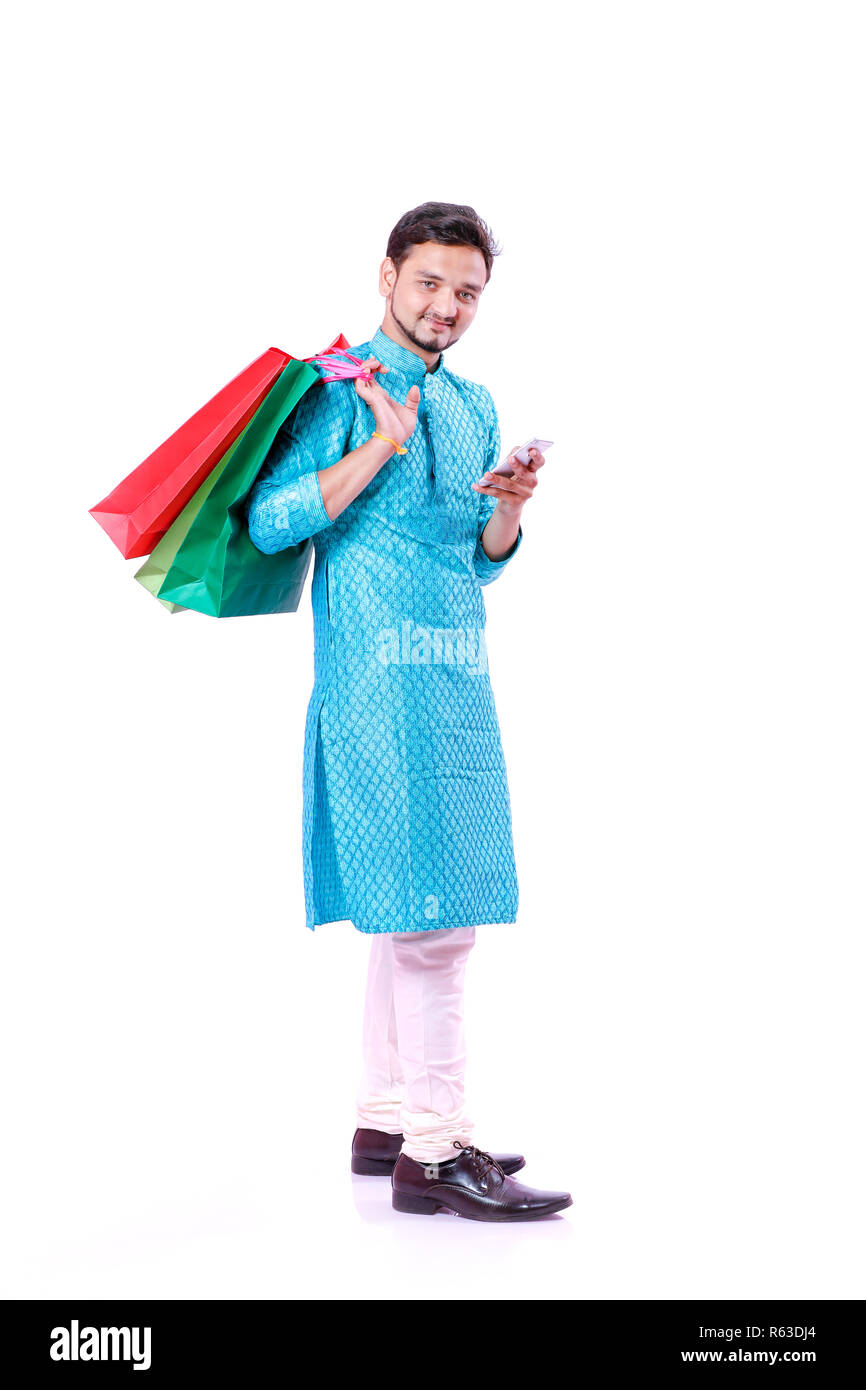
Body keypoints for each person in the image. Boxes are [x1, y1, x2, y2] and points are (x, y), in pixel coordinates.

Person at [246, 201, 571, 1221]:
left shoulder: (470, 402)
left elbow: (472, 563)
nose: (446, 306)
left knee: (414, 918)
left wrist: (508, 509)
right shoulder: (335, 387)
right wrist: (374, 452)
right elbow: (269, 521)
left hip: (454, 678)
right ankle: (437, 1149)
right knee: (437, 921)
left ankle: (385, 1118)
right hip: (375, 687)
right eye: (428, 282)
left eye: (466, 291)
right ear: (385, 275)